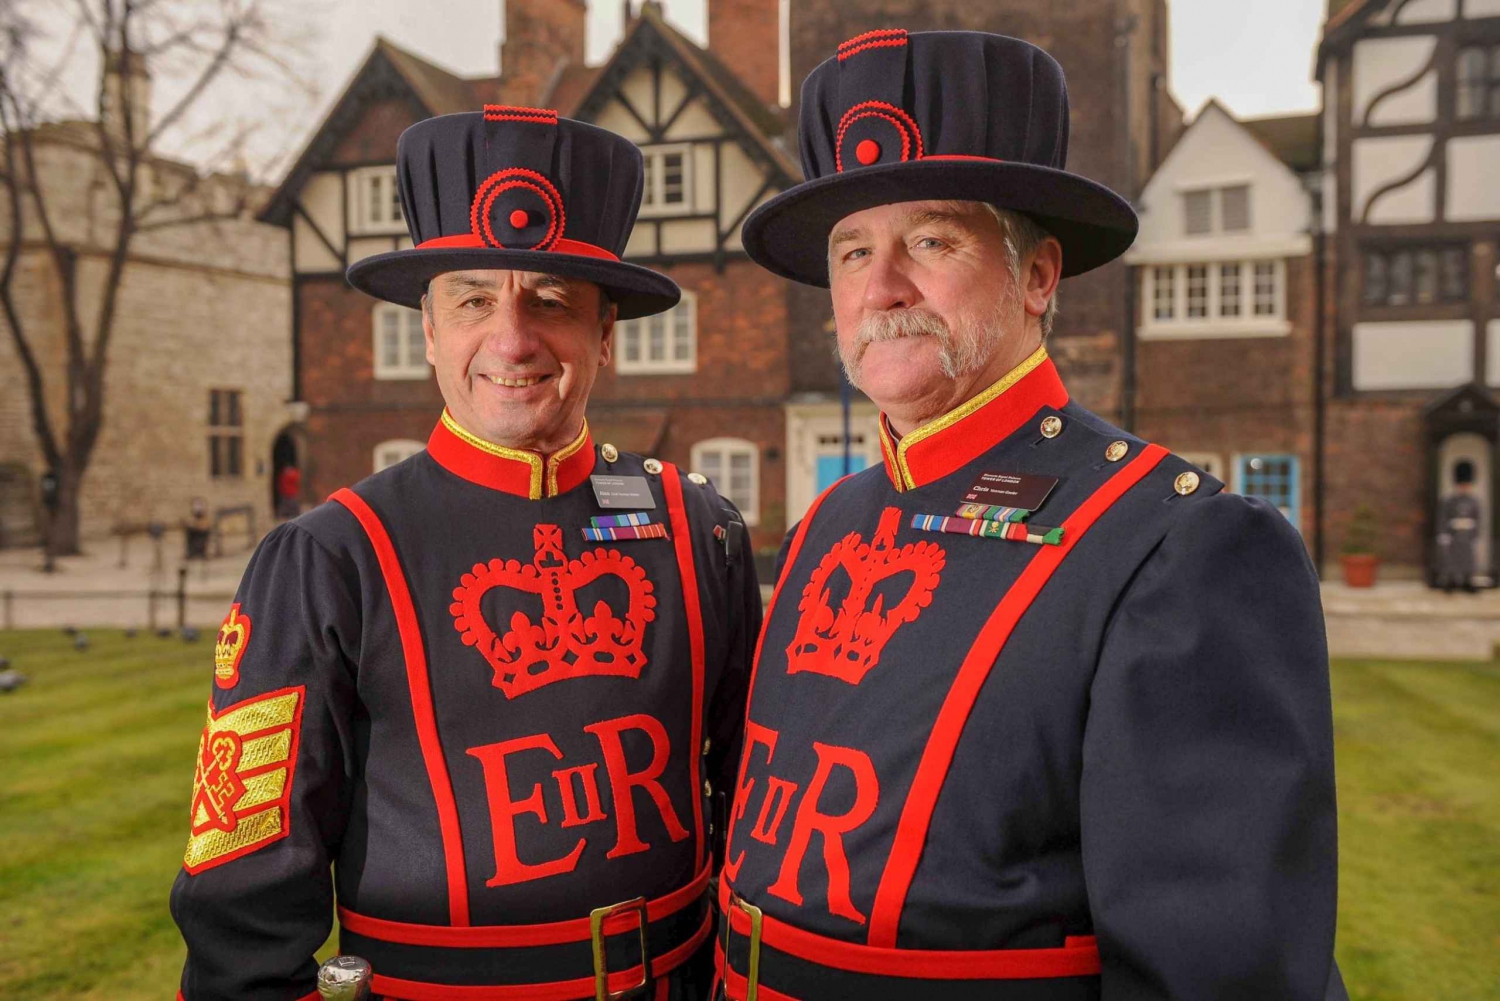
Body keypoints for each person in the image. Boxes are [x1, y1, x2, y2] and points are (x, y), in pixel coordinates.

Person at [714, 29, 1346, 1000]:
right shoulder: (825, 525)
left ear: (1039, 276)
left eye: (931, 239)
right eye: (853, 251)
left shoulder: (1177, 544)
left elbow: (1221, 974)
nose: (881, 288)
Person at [170, 107, 761, 1000]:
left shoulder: (701, 530)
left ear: (606, 333)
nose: (512, 338)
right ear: (430, 330)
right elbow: (242, 902)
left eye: (552, 301)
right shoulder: (329, 557)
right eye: (475, 298)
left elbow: (755, 816)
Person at [1436, 459, 1482, 593]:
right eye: (1462, 485)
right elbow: (1443, 517)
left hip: (1468, 534)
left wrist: (1476, 533)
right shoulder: (1449, 501)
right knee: (1452, 559)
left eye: (1466, 485)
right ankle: (1451, 580)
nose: (1464, 487)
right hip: (1453, 534)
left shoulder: (1474, 501)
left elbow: (1478, 518)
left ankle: (1468, 581)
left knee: (1469, 559)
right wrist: (1443, 533)